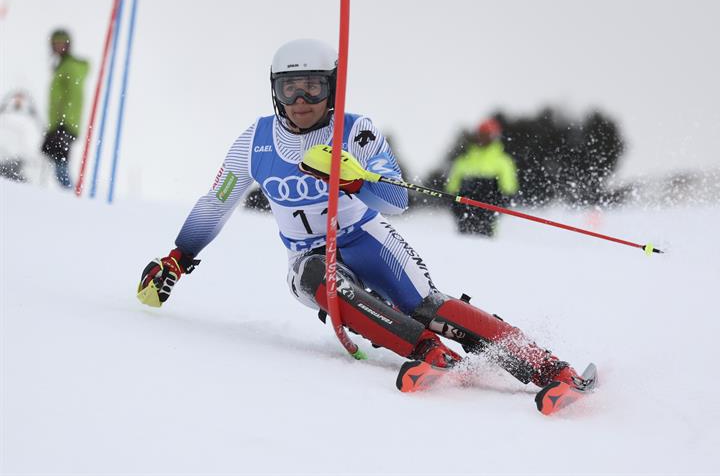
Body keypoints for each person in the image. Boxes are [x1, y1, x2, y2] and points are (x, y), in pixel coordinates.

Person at [137, 38, 585, 394]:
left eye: (314, 85)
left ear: (332, 86)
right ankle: (428, 352)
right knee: (322, 279)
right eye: (288, 88)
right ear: (273, 90)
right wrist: (178, 257)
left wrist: (355, 178)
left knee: (426, 305)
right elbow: (218, 201)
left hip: (365, 235)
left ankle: (552, 370)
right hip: (306, 253)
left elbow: (397, 199)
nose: (301, 99)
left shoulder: (356, 130)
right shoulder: (254, 141)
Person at [446, 118, 518, 236]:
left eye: (487, 134)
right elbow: (451, 190)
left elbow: (508, 192)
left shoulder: (503, 162)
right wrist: (457, 207)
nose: (483, 138)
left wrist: (494, 209)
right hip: (463, 217)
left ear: (494, 136)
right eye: (481, 134)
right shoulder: (463, 161)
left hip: (488, 219)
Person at [42, 29, 89, 188]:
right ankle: (61, 191)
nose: (59, 47)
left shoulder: (70, 67)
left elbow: (74, 97)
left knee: (60, 159)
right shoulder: (61, 66)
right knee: (51, 153)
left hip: (65, 124)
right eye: (56, 44)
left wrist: (65, 123)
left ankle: (68, 192)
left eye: (62, 44)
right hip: (59, 123)